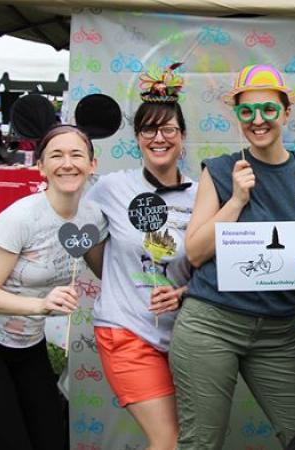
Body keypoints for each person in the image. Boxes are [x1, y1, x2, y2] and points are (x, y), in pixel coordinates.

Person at [170, 64, 295, 449]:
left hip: (277, 332)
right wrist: (236, 200)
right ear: (237, 116)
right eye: (247, 111)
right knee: (200, 443)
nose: (258, 120)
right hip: (211, 325)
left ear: (286, 113)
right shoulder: (220, 170)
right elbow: (194, 252)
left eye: (268, 109)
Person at [0, 125, 107, 449]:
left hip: (28, 347)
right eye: (56, 155)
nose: (67, 163)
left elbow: (105, 270)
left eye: (77, 154)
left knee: (52, 440)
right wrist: (41, 306)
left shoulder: (93, 217)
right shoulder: (19, 218)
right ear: (41, 166)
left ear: (92, 164)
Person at [85, 63, 195, 450]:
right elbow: (89, 243)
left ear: (182, 137)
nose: (159, 137)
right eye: (149, 129)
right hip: (126, 330)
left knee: (189, 438)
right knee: (166, 439)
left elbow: (212, 266)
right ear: (137, 137)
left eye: (168, 129)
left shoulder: (204, 195)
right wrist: (120, 284)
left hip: (184, 340)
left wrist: (180, 293)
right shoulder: (112, 188)